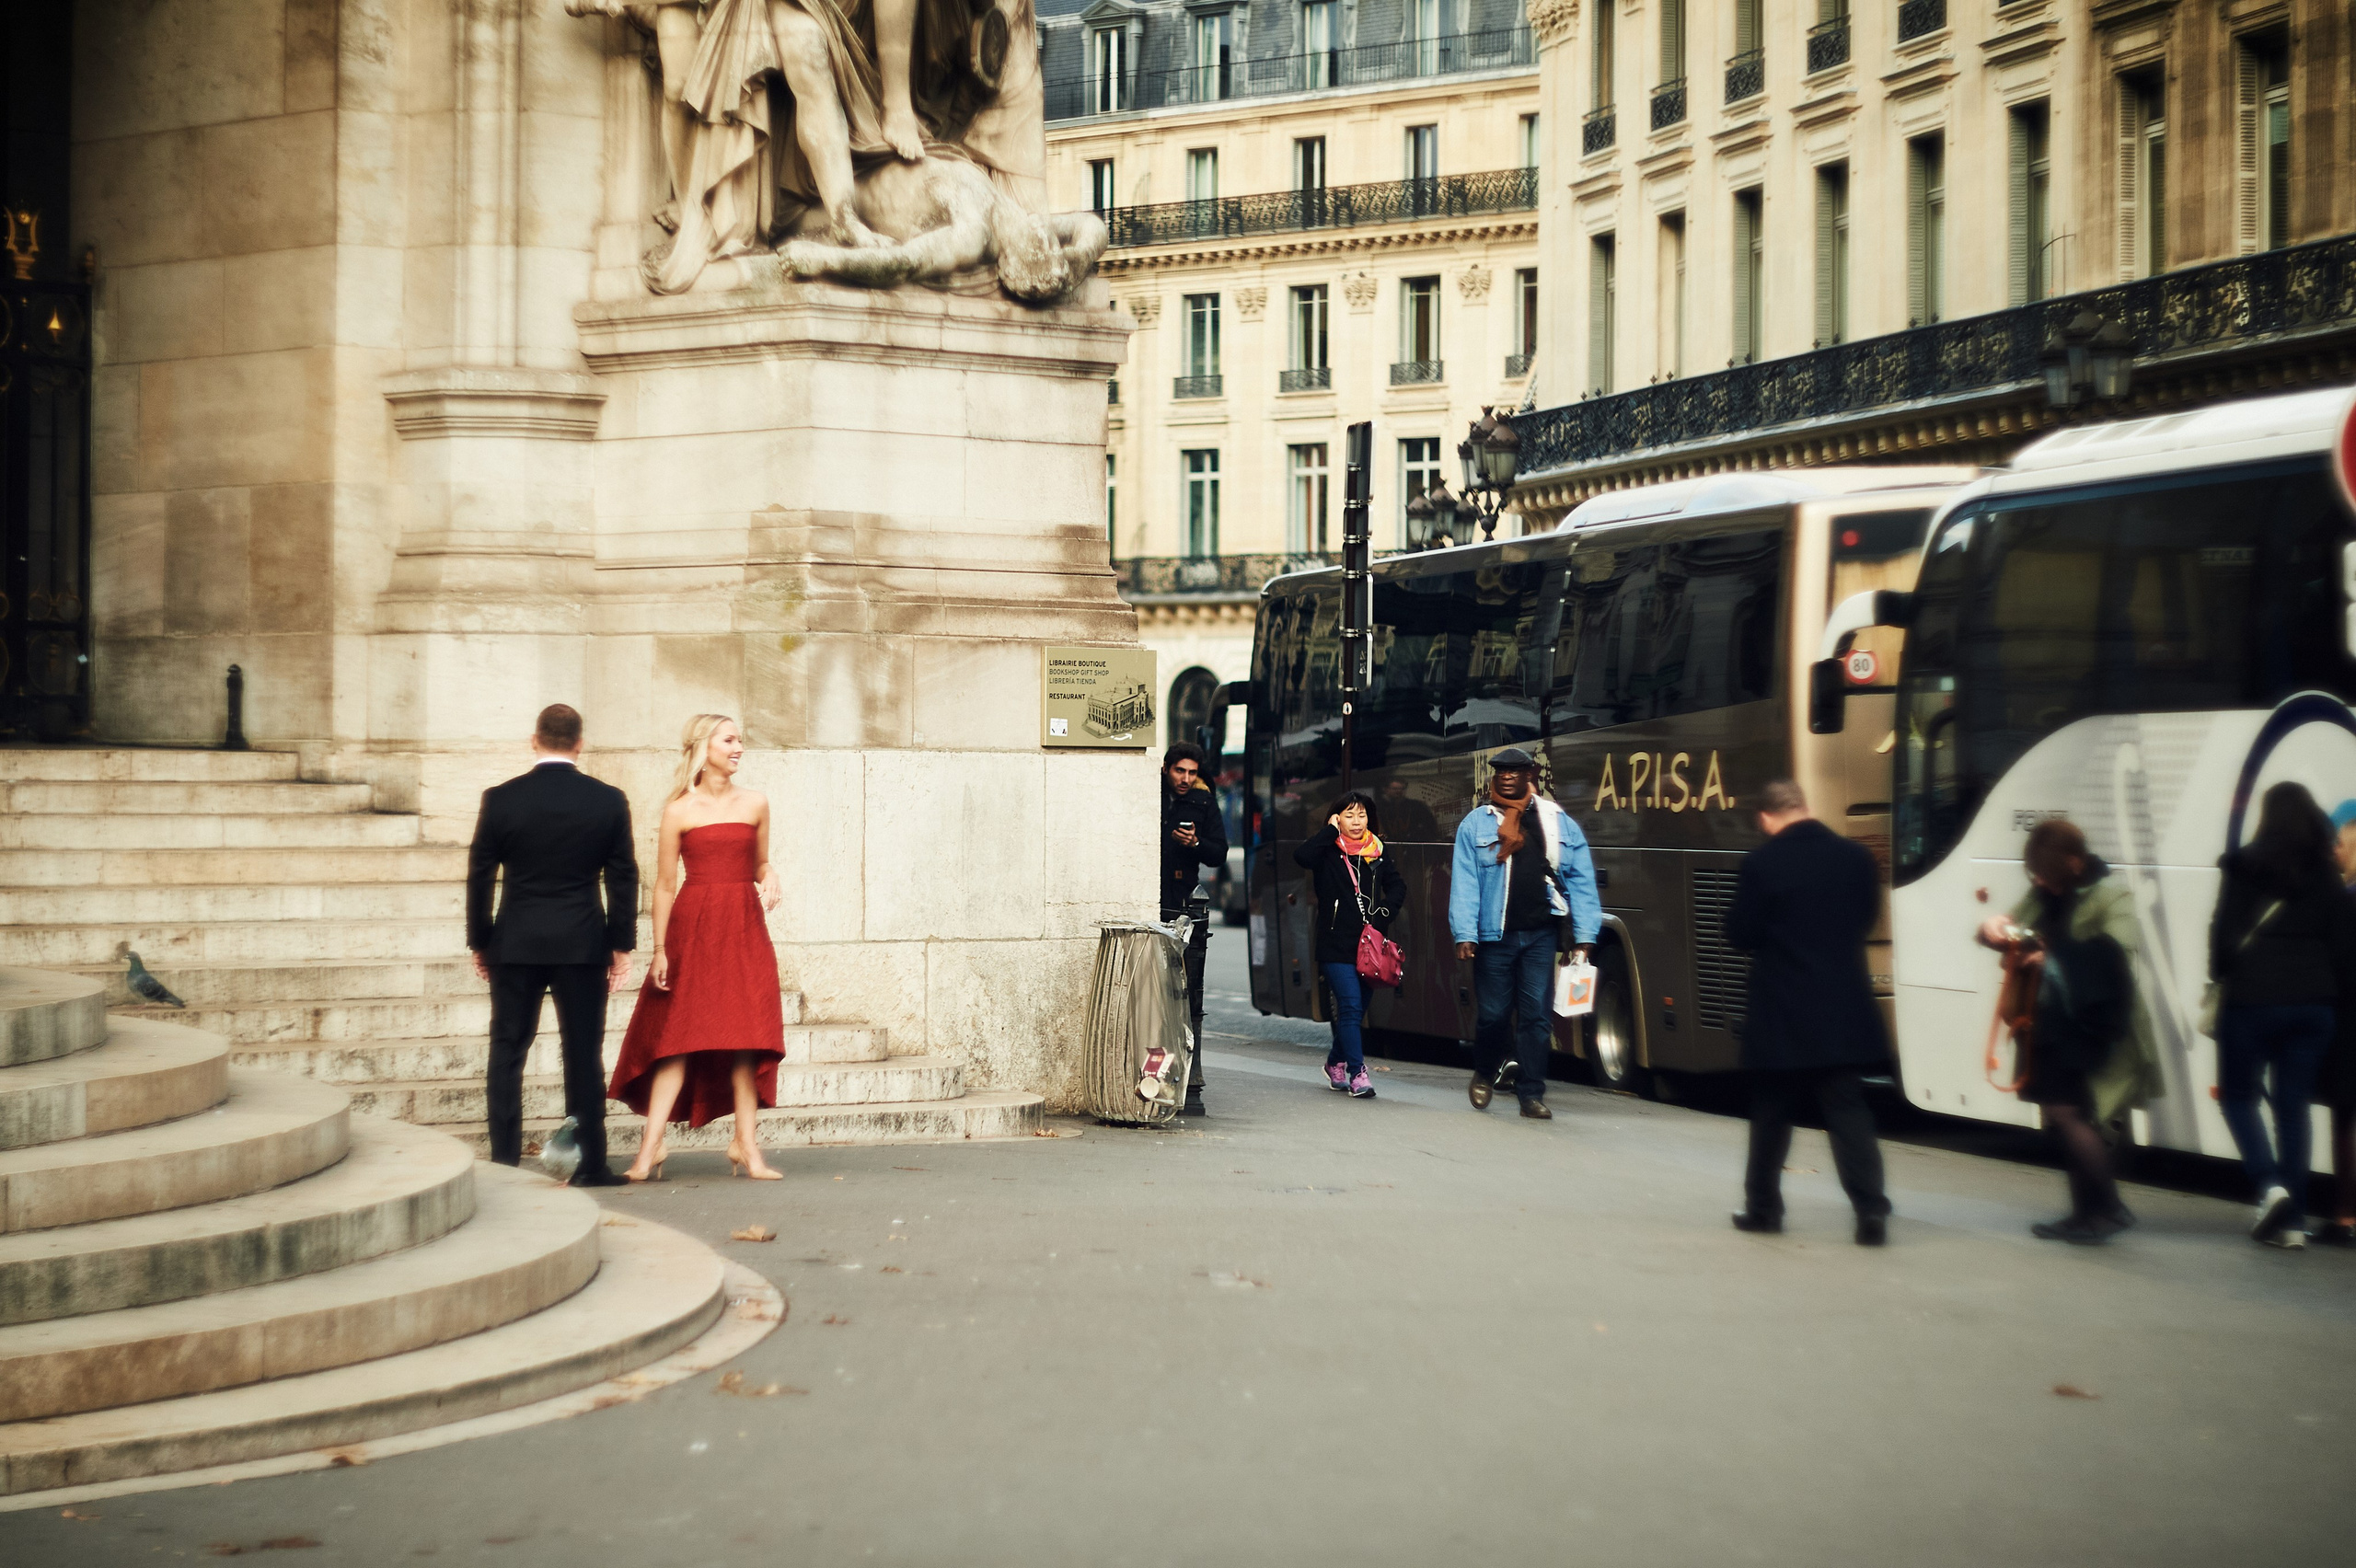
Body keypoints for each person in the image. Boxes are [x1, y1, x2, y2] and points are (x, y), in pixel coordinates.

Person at [607, 714, 788, 1181]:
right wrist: (660, 949)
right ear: (703, 748)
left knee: (746, 1037)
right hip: (694, 927)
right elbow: (665, 886)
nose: (739, 748)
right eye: (729, 740)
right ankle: (651, 1149)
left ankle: (746, 1147)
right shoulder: (679, 811)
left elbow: (761, 863)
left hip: (743, 928)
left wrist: (771, 877)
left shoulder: (757, 803)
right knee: (677, 1040)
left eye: (740, 740)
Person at [467, 704, 640, 1187]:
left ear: (534, 739)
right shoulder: (608, 801)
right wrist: (621, 944)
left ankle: (503, 1161)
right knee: (583, 1051)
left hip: (516, 940)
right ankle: (589, 1164)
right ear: (579, 743)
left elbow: (481, 874)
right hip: (582, 942)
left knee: (507, 1050)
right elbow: (623, 876)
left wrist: (481, 940)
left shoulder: (501, 800)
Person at [1974, 818, 2164, 1245]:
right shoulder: (2042, 893)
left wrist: (2051, 957)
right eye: (2035, 874)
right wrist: (1991, 933)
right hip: (2046, 1025)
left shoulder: (2111, 896)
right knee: (2063, 1118)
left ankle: (2109, 1209)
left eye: (2047, 873)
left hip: (2091, 1024)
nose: (2041, 881)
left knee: (2069, 1113)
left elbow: (2116, 955)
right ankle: (2084, 1215)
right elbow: (2014, 934)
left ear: (2075, 863)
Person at [1724, 779, 1893, 1245]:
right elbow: (1865, 917)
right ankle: (1870, 1210)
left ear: (1765, 817)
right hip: (1843, 1007)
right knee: (1848, 1110)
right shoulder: (1855, 858)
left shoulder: (1761, 864)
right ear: (1805, 808)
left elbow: (1740, 933)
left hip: (1782, 1009)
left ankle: (1763, 1210)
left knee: (1772, 1115)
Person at [2206, 782, 2356, 1247]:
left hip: (2251, 1000)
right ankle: (2293, 1222)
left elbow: (2223, 934)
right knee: (2293, 1109)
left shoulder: (2243, 865)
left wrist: (2222, 971)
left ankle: (2270, 1187)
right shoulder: (2327, 875)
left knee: (2237, 1096)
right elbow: (2343, 948)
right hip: (2314, 1007)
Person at [1448, 747, 1600, 1120]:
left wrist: (1585, 935)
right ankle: (1485, 1071)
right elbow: (1465, 883)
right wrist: (1464, 933)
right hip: (1493, 938)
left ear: (1529, 774)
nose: (1507, 777)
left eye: (1515, 771)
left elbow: (1580, 877)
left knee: (1536, 1018)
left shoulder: (1555, 821)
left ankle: (1531, 1094)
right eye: (1501, 771)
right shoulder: (1475, 824)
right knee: (1494, 1015)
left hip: (1539, 934)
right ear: (1493, 777)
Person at [1293, 790, 1408, 1099]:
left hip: (1368, 944)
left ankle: (1334, 1063)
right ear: (1337, 818)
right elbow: (1302, 857)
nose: (1357, 822)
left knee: (1355, 1012)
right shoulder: (1327, 850)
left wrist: (1383, 914)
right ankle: (1358, 1073)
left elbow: (1397, 886)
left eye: (1362, 815)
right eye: (1349, 815)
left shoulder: (1378, 851)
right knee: (1350, 1005)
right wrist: (1329, 831)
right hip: (1334, 942)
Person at [1161, 742, 1228, 1117]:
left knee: (1188, 994)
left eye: (1191, 772)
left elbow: (1219, 851)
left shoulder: (1203, 802)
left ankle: (1189, 1080)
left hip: (1187, 899)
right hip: (1156, 895)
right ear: (1167, 769)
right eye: (1179, 771)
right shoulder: (1153, 794)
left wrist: (1196, 842)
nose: (1185, 779)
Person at [2320, 800, 2356, 1246]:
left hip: (2348, 1021)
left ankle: (2345, 1216)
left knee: (2345, 1120)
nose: (2337, 853)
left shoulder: (2345, 904)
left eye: (2343, 846)